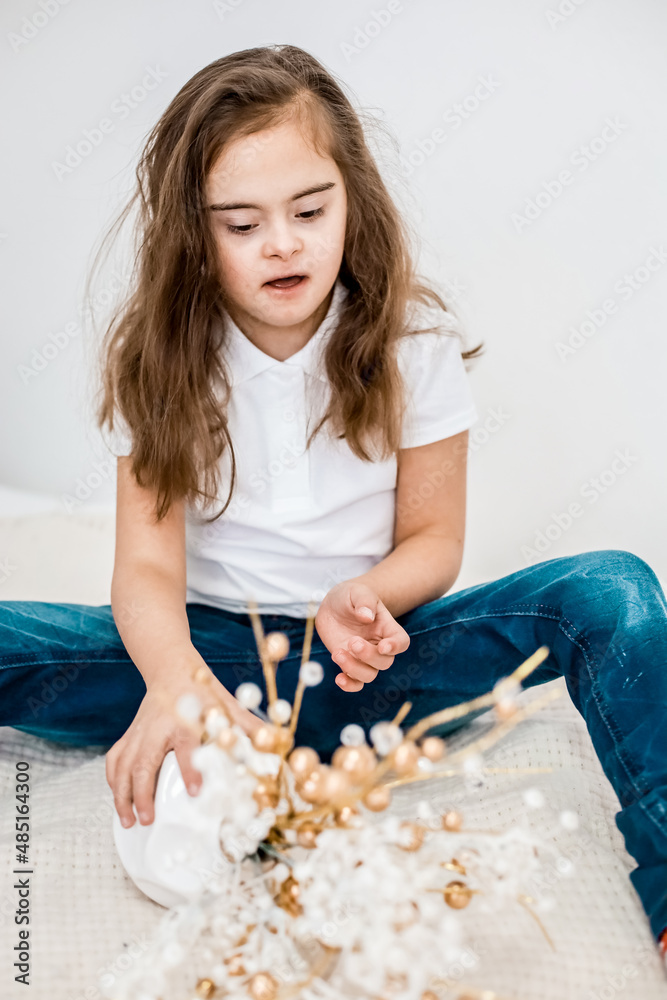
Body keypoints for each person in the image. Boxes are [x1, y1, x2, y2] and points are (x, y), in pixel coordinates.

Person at [1, 44, 665, 960]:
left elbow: (433, 537)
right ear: (194, 236)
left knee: (610, 588)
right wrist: (176, 683)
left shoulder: (413, 344)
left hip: (374, 669)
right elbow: (146, 568)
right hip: (215, 665)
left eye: (310, 211)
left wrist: (370, 595)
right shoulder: (158, 363)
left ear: (351, 201)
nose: (283, 243)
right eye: (242, 224)